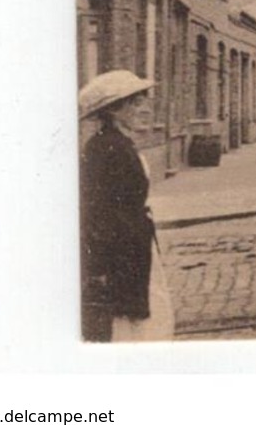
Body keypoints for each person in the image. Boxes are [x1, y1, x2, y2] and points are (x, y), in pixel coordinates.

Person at [78, 70, 174, 342]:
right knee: (132, 324)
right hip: (122, 253)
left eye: (142, 100)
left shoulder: (120, 144)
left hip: (135, 247)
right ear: (114, 110)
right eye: (134, 103)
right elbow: (98, 211)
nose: (143, 108)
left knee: (149, 313)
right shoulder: (105, 148)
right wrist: (102, 266)